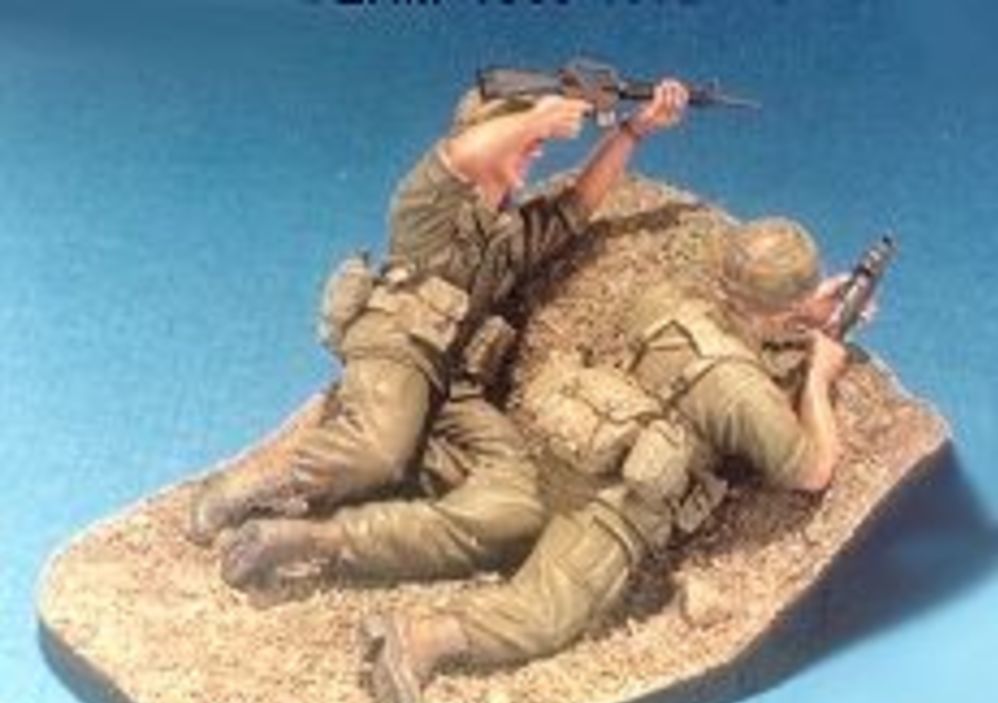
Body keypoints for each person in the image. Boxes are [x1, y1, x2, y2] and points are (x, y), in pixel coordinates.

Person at [360, 217, 857, 703]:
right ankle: (422, 638)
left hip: (567, 444)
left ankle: (330, 540)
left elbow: (732, 330)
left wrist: (796, 315)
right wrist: (818, 377)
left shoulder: (668, 301)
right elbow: (813, 469)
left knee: (466, 524)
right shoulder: (740, 393)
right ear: (786, 308)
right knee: (545, 614)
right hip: (616, 504)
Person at [187, 79, 692, 548]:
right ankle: (237, 492)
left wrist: (634, 130)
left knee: (520, 492)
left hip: (454, 386)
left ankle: (317, 528)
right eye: (524, 139)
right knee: (379, 452)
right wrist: (536, 119)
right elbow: (458, 156)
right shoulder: (425, 202)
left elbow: (576, 206)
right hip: (400, 351)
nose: (537, 150)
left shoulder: (510, 236)